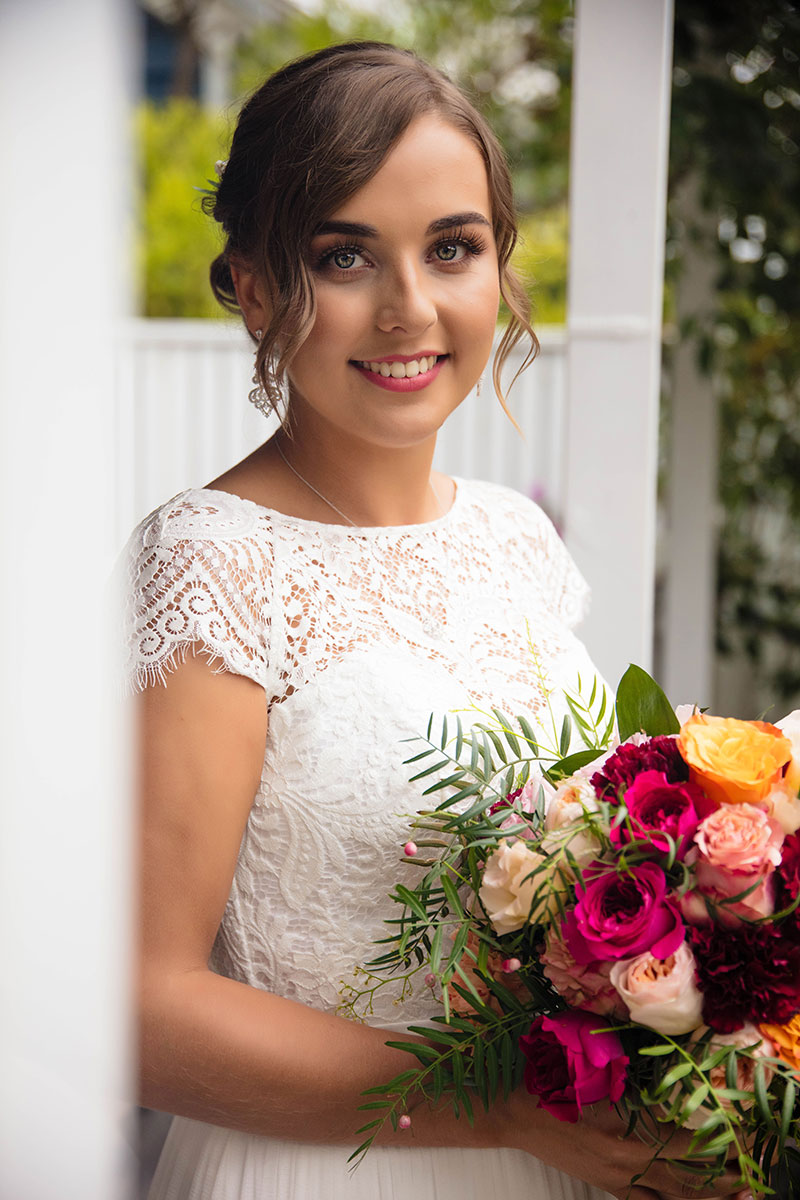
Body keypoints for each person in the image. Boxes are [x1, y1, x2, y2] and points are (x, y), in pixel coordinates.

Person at [125, 41, 750, 1200]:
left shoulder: (516, 535)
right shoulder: (210, 561)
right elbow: (146, 1011)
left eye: (451, 248)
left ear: (498, 270)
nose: (408, 308)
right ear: (256, 285)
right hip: (325, 1170)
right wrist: (502, 1105)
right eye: (344, 255)